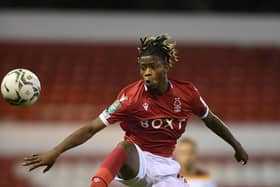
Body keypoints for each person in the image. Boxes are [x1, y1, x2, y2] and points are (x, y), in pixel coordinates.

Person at [23, 34, 248, 187]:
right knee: (125, 146)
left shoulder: (187, 93)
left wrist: (236, 146)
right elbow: (92, 128)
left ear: (166, 66)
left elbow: (211, 120)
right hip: (137, 161)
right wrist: (56, 151)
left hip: (167, 169)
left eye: (153, 66)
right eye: (143, 68)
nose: (147, 73)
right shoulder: (130, 97)